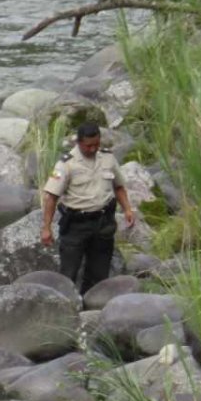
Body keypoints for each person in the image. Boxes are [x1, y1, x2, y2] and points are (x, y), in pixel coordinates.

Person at [40, 122, 136, 293]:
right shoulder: (66, 164)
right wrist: (46, 227)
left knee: (100, 272)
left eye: (96, 144)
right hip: (76, 225)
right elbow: (51, 197)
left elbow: (119, 186)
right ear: (79, 142)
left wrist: (128, 209)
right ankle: (65, 307)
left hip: (103, 221)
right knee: (69, 271)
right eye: (88, 146)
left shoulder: (107, 158)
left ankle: (93, 309)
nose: (93, 149)